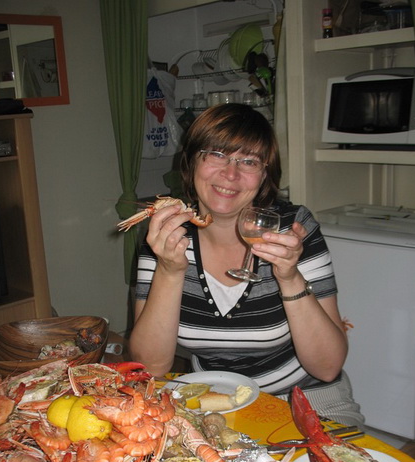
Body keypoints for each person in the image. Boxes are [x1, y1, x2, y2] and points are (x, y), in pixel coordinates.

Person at [130, 103, 364, 426]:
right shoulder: (166, 234)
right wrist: (170, 271)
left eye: (249, 161)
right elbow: (151, 367)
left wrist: (290, 277)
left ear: (264, 174)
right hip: (213, 405)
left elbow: (327, 367)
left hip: (305, 401)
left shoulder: (292, 228)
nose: (231, 174)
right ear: (192, 161)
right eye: (216, 154)